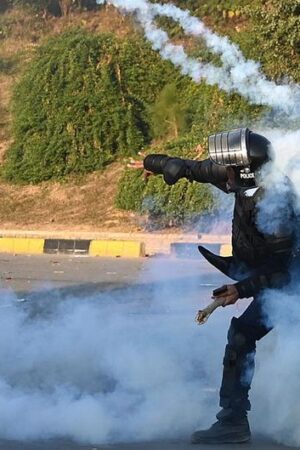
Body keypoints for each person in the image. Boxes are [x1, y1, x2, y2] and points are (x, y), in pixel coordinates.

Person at [129, 128, 295, 444]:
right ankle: (233, 421)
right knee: (242, 336)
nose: (223, 173)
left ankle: (236, 420)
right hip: (265, 272)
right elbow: (193, 169)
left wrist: (241, 289)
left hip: (291, 280)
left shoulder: (278, 202)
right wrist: (156, 162)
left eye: (230, 167)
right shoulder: (243, 180)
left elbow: (283, 271)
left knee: (245, 334)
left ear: (245, 171)